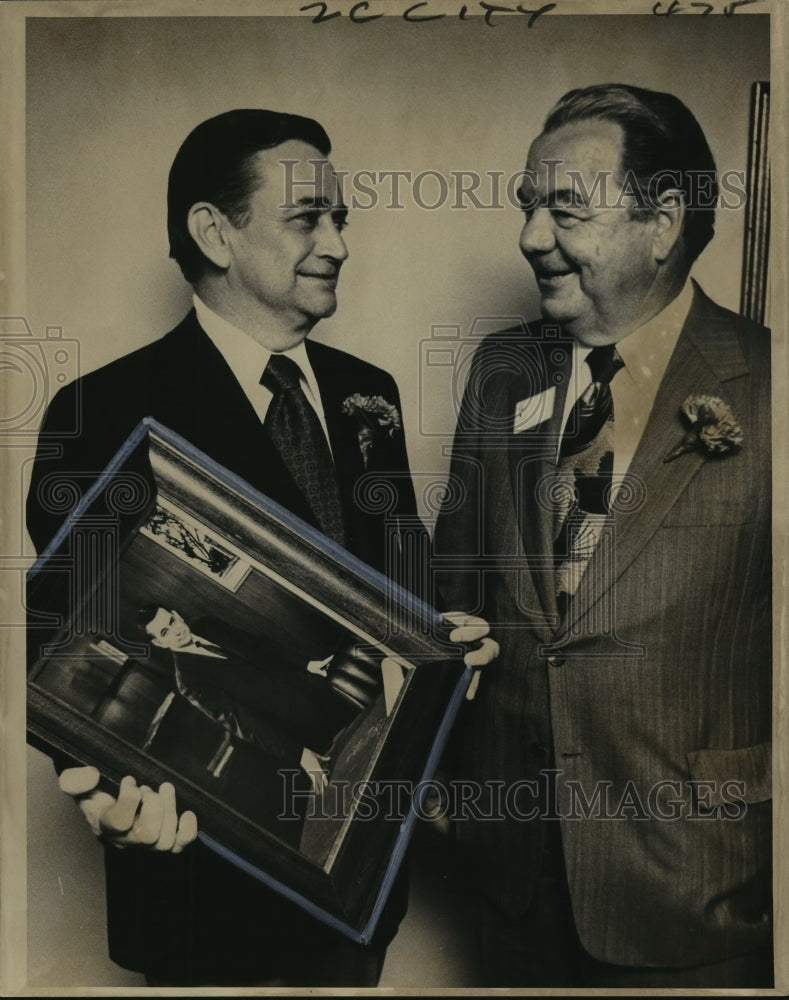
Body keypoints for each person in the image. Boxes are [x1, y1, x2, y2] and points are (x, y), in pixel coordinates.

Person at [26, 108, 495, 986]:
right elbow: (62, 635)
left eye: (342, 218)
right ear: (215, 232)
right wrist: (103, 787)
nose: (338, 243)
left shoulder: (368, 394)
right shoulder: (105, 409)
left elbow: (400, 573)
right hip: (201, 892)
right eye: (307, 217)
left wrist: (445, 635)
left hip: (357, 889)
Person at [433, 84, 772, 988]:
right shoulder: (501, 373)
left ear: (661, 222)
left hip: (694, 890)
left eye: (564, 209)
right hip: (509, 878)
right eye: (527, 207)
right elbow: (450, 581)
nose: (530, 237)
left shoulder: (770, 388)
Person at [138, 605, 362, 793]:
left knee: (369, 724)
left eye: (172, 621)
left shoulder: (207, 624)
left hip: (307, 692)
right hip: (294, 729)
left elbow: (259, 645)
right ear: (159, 643)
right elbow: (241, 723)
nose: (176, 631)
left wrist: (306, 664)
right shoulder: (187, 681)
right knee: (356, 766)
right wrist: (299, 754)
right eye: (165, 632)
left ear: (176, 614)